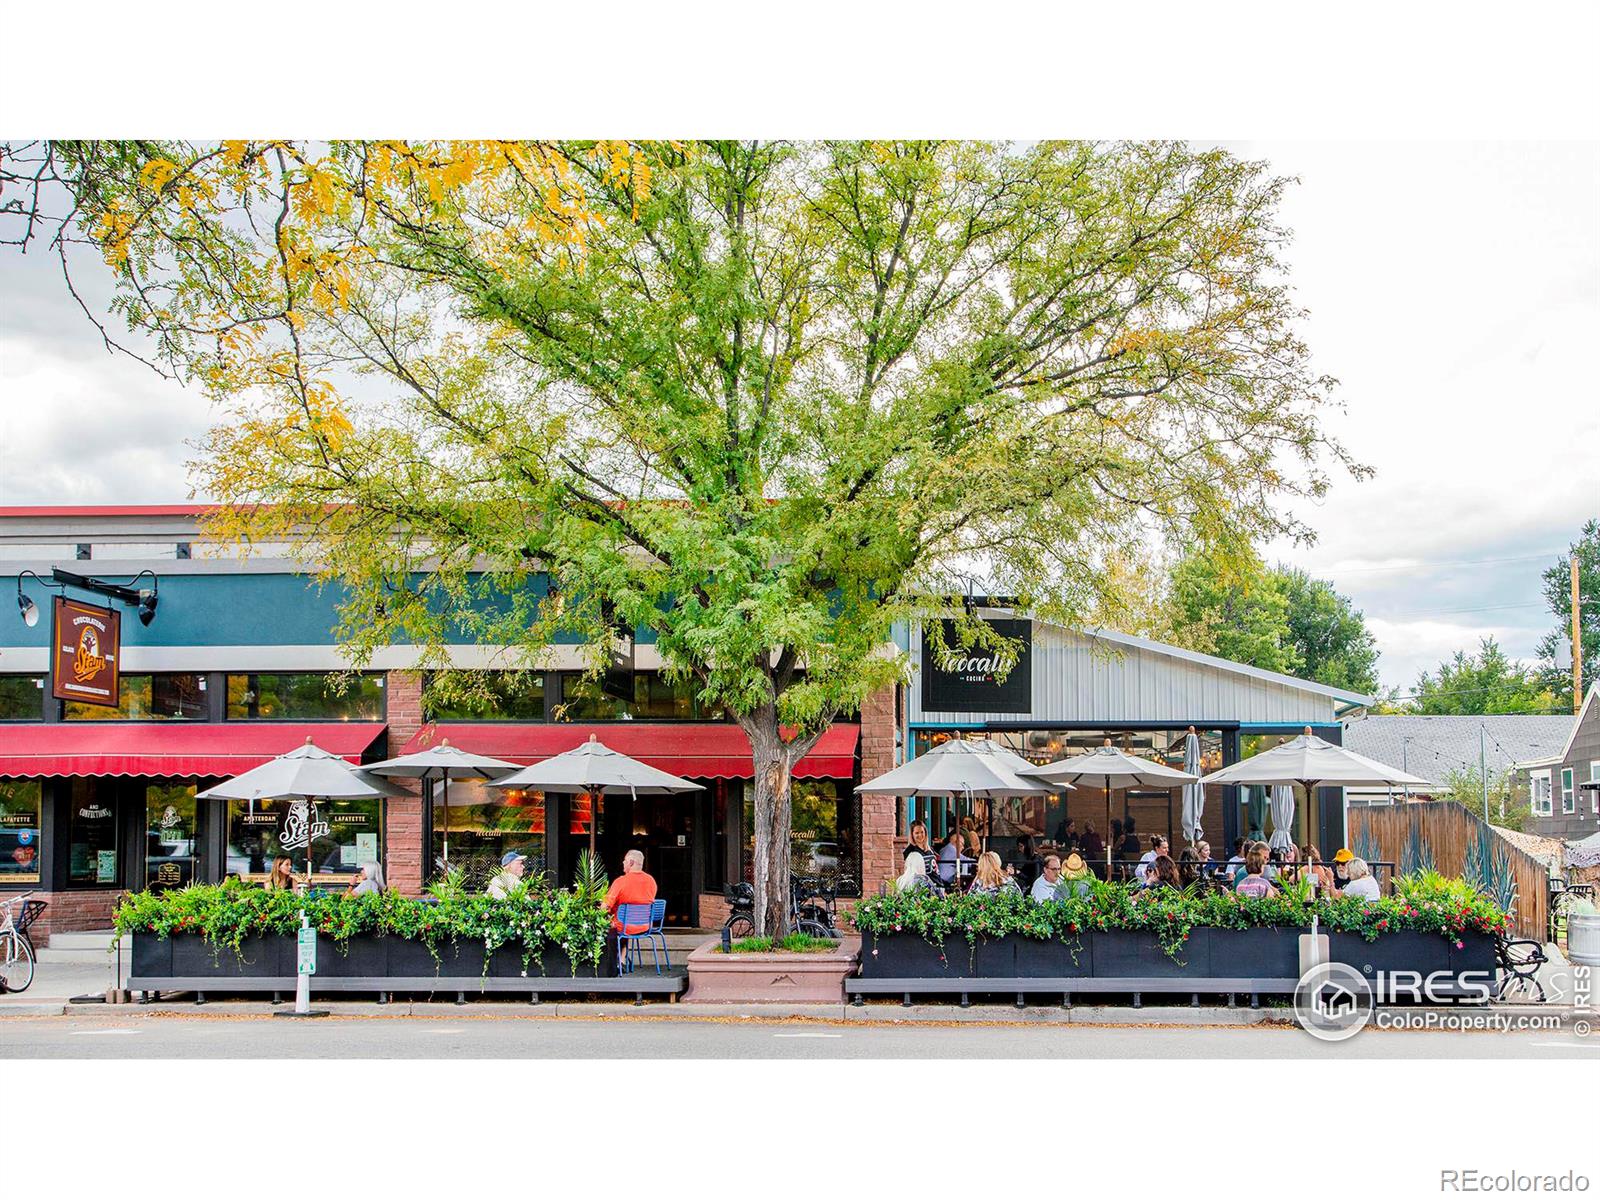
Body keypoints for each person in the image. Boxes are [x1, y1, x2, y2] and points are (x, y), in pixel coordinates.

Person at [603, 848, 658, 933]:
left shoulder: (620, 882)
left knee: (605, 925)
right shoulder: (651, 881)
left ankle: (617, 946)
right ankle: (624, 946)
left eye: (625, 860)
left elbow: (605, 907)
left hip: (623, 926)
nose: (623, 863)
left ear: (631, 862)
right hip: (645, 926)